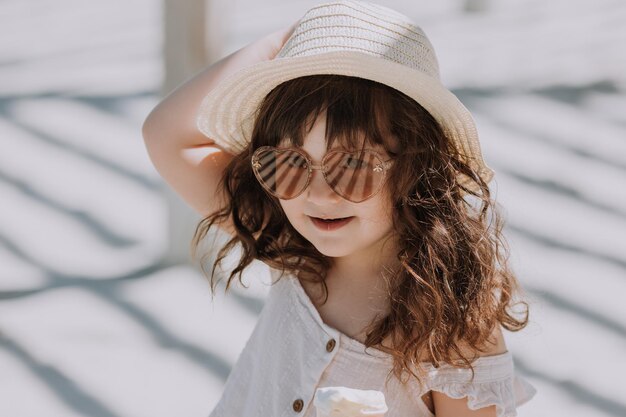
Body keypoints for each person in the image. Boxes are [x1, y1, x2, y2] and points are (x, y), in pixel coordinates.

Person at [142, 1, 537, 416]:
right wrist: (281, 45)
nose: (319, 195)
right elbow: (166, 134)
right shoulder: (289, 241)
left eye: (352, 165)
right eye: (289, 163)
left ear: (417, 167)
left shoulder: (452, 318)